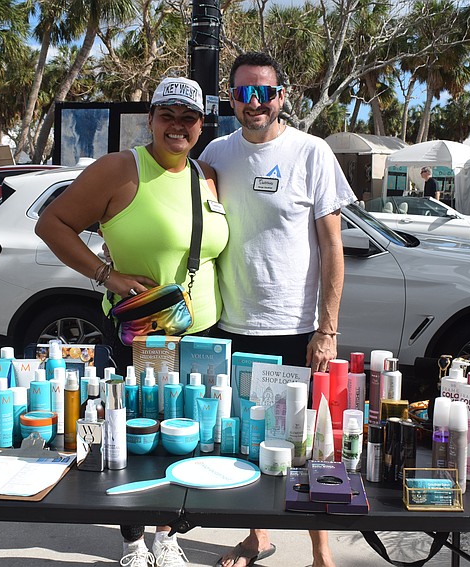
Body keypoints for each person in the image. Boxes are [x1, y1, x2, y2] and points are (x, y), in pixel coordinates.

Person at [36, 77, 229, 567]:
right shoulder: (121, 169)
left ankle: (169, 535)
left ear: (202, 125)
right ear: (151, 120)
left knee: (188, 436)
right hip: (142, 335)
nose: (178, 126)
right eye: (168, 115)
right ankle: (133, 543)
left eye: (189, 118)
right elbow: (52, 224)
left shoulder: (205, 175)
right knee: (136, 437)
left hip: (202, 336)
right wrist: (107, 274)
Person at [200, 51, 355, 567]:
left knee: (307, 444)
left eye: (265, 92)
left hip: (296, 327)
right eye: (244, 93)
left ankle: (320, 550)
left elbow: (332, 247)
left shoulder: (311, 153)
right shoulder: (217, 155)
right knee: (250, 438)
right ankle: (256, 536)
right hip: (233, 323)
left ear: (282, 96)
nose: (255, 102)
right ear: (232, 99)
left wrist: (326, 330)